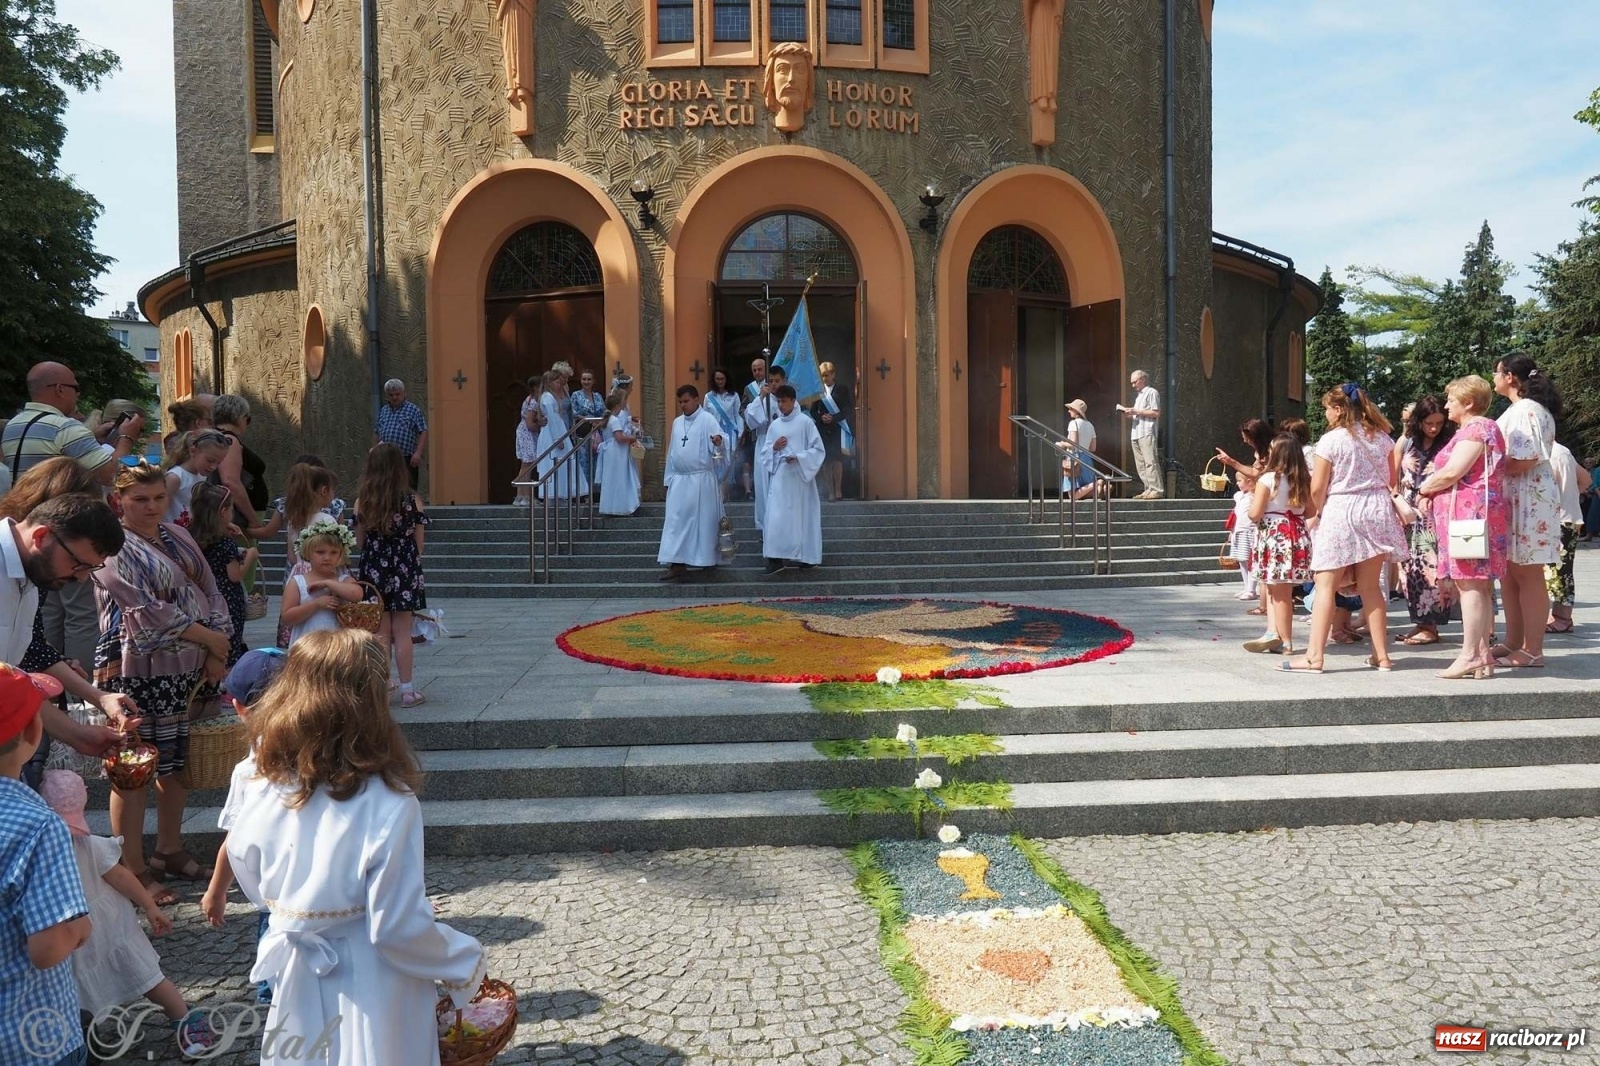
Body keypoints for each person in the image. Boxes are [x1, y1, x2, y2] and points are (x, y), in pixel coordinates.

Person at [224, 629, 487, 1066]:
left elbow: (247, 870)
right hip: (375, 982)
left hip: (298, 970)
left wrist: (298, 907)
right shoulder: (388, 801)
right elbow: (397, 929)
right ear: (371, 706)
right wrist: (464, 960)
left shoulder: (262, 783)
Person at [94, 461, 232, 904]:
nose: (151, 507)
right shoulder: (109, 545)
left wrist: (217, 646)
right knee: (133, 768)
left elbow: (212, 589)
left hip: (189, 663)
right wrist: (210, 638)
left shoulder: (178, 534)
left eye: (158, 498)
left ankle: (168, 850)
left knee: (176, 763)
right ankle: (131, 866)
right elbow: (144, 608)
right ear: (119, 500)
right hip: (136, 665)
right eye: (140, 499)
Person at [39, 770, 215, 1055]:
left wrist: (150, 906)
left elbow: (122, 877)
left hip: (111, 930)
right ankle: (81, 1036)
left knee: (148, 978)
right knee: (76, 987)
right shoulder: (39, 852)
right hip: (75, 937)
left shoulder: (90, 845)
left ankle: (184, 1016)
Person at [5, 363, 143, 681]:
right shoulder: (65, 427)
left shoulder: (14, 426)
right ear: (59, 389)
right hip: (68, 530)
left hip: (27, 526)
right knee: (81, 614)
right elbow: (111, 473)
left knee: (46, 614)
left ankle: (46, 683)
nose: (78, 396)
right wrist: (125, 439)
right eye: (76, 388)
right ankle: (81, 687)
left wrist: (91, 439)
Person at [0, 478, 139, 777]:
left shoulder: (31, 575)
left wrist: (78, 735)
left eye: (91, 569)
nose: (81, 578)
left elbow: (9, 685)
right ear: (41, 536)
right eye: (78, 564)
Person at [0, 664, 92, 1066]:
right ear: (33, 732)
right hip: (33, 1038)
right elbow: (49, 947)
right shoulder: (37, 825)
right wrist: (79, 927)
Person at [1281, 384, 1406, 674]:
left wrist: (1315, 513)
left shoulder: (1331, 440)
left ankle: (1314, 657)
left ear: (1338, 409)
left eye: (1327, 408)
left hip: (1342, 509)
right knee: (1371, 587)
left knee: (1325, 585)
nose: (1326, 414)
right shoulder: (1383, 438)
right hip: (1376, 511)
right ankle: (1382, 656)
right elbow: (1392, 480)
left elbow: (1318, 487)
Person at [201, 646, 288, 1006]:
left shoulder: (248, 771)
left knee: (276, 989)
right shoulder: (325, 758)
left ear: (238, 708)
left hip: (272, 900)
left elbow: (234, 839)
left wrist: (216, 890)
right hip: (323, 897)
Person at [1417, 375, 1508, 680]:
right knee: (1477, 585)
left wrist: (1424, 489)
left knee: (1470, 584)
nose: (1446, 406)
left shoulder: (1476, 428)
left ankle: (1471, 654)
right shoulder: (1481, 428)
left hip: (1469, 516)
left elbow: (1454, 471)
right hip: (1472, 515)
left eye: (1451, 400)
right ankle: (1481, 654)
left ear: (1468, 403)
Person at [1491, 354, 1563, 670]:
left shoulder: (1526, 411)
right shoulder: (1522, 409)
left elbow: (1526, 458)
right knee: (1510, 572)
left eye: (1496, 372)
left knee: (1528, 573)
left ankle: (1533, 650)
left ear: (1510, 376)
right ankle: (1513, 640)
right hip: (1519, 497)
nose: (1493, 378)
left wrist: (1487, 465)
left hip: (1528, 498)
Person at [356, 443, 431, 705]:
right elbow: (419, 543)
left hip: (374, 569)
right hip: (404, 568)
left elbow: (360, 542)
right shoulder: (412, 500)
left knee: (380, 631)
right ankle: (408, 690)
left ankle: (382, 687)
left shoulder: (363, 501)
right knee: (403, 631)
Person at [1242, 435, 1315, 655]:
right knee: (1276, 588)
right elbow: (1311, 511)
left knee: (1280, 591)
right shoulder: (1303, 479)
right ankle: (1272, 632)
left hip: (1274, 536)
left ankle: (1286, 641)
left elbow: (1255, 513)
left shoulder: (1268, 479)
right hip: (1295, 534)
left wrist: (1256, 507)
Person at [1394, 397, 1458, 646]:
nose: (1434, 428)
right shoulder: (1406, 441)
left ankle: (1430, 625)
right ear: (1418, 421)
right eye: (1429, 423)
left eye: (1439, 423)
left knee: (1431, 569)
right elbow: (1394, 477)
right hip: (1408, 512)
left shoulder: (1450, 443)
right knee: (1409, 570)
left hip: (1434, 512)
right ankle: (1421, 622)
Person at [658, 385, 726, 582]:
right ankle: (676, 563)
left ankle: (707, 559)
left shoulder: (708, 420)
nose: (683, 405)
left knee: (704, 522)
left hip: (701, 479)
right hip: (680, 480)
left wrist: (719, 441)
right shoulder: (677, 422)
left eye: (686, 401)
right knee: (675, 522)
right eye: (680, 402)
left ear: (696, 399)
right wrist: (668, 478)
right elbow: (672, 451)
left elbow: (721, 442)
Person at [760, 384, 825, 573]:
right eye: (778, 401)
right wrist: (774, 448)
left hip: (800, 478)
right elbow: (765, 453)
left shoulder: (805, 422)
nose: (780, 405)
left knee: (802, 517)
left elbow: (818, 450)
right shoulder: (775, 425)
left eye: (784, 401)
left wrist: (798, 457)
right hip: (781, 478)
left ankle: (806, 557)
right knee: (776, 518)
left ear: (793, 401)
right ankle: (775, 559)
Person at [189, 482, 254, 667]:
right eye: (231, 509)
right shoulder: (225, 543)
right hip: (227, 600)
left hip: (202, 596)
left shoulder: (192, 536)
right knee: (229, 645)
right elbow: (235, 575)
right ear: (224, 512)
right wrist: (251, 556)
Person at [280, 520, 363, 645]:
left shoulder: (344, 580)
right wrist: (316, 604)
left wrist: (328, 583)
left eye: (333, 552)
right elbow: (287, 618)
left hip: (337, 645)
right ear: (308, 553)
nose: (327, 558)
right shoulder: (297, 582)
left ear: (341, 555)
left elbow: (357, 594)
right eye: (320, 552)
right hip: (307, 645)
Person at [1544, 440, 1588, 635]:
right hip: (1567, 517)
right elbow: (1585, 479)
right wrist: (1572, 495)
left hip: (1559, 519)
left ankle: (1563, 618)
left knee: (1560, 571)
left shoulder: (1552, 453)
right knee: (1559, 570)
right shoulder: (1563, 451)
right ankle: (1559, 616)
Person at [743, 364, 787, 530]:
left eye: (777, 381)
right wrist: (761, 397)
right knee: (763, 486)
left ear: (783, 381)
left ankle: (782, 526)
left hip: (783, 446)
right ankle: (765, 527)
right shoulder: (762, 399)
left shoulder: (789, 401)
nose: (774, 384)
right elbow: (751, 420)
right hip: (765, 444)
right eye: (771, 381)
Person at [537, 368, 589, 500]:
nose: (559, 385)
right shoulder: (547, 397)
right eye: (556, 382)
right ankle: (553, 493)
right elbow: (552, 419)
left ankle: (563, 492)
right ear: (550, 382)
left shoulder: (551, 396)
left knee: (565, 463)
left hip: (560, 430)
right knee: (554, 462)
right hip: (553, 433)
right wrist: (557, 439)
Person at [162, 428, 231, 525]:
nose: (213, 467)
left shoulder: (201, 476)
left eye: (218, 462)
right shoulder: (175, 478)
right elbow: (158, 508)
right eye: (210, 460)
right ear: (193, 451)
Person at [374, 378, 429, 491]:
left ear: (404, 393)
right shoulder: (384, 410)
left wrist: (418, 453)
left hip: (406, 458)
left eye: (397, 394)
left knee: (408, 489)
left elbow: (423, 431)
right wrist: (376, 450)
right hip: (387, 458)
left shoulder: (413, 410)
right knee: (387, 488)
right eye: (391, 395)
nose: (394, 397)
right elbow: (377, 431)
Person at [810, 362, 854, 502]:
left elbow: (847, 409)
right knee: (827, 460)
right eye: (822, 376)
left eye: (827, 375)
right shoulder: (818, 390)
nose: (825, 378)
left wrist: (834, 418)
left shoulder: (842, 389)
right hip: (823, 430)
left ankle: (838, 490)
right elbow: (813, 411)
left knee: (837, 459)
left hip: (837, 428)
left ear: (833, 374)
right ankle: (830, 492)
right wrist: (821, 418)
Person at [1118, 369, 1162, 499]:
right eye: (1131, 383)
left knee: (1150, 462)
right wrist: (1130, 413)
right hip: (1136, 432)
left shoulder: (1151, 392)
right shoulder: (1139, 396)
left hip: (1146, 432)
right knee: (1141, 464)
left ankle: (1156, 489)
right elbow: (1140, 413)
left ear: (1142, 379)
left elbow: (1156, 413)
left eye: (1135, 382)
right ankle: (1148, 489)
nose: (1133, 385)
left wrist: (1136, 411)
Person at [598, 393, 642, 517]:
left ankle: (611, 506)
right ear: (617, 406)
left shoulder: (607, 419)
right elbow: (619, 437)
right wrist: (632, 438)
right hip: (617, 452)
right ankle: (622, 507)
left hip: (609, 452)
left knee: (611, 479)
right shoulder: (615, 420)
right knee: (620, 479)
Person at [705, 369, 744, 500]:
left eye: (722, 379)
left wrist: (740, 433)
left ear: (726, 379)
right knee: (716, 462)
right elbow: (705, 416)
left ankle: (725, 493)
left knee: (728, 462)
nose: (720, 381)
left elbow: (738, 415)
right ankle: (716, 494)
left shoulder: (734, 396)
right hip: (714, 434)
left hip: (730, 433)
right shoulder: (708, 397)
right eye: (717, 379)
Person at [570, 368, 608, 491]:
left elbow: (604, 412)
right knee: (584, 462)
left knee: (597, 461)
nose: (586, 381)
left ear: (593, 381)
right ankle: (584, 492)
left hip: (598, 432)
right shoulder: (576, 395)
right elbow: (574, 413)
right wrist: (590, 420)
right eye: (584, 379)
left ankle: (596, 491)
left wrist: (600, 422)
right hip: (583, 432)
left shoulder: (597, 396)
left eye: (589, 379)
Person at [513, 375, 546, 507]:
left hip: (525, 432)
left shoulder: (530, 399)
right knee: (528, 465)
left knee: (525, 465)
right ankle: (525, 496)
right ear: (536, 387)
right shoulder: (533, 402)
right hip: (527, 434)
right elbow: (530, 423)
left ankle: (521, 496)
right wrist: (540, 426)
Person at [1060, 398, 1100, 501]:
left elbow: (1073, 444)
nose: (1069, 411)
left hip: (1074, 459)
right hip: (1087, 459)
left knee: (1072, 495)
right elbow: (1093, 448)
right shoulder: (1090, 425)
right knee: (1084, 492)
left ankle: (1097, 483)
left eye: (1071, 409)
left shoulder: (1073, 423)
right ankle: (1101, 487)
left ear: (1076, 410)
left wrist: (1062, 444)